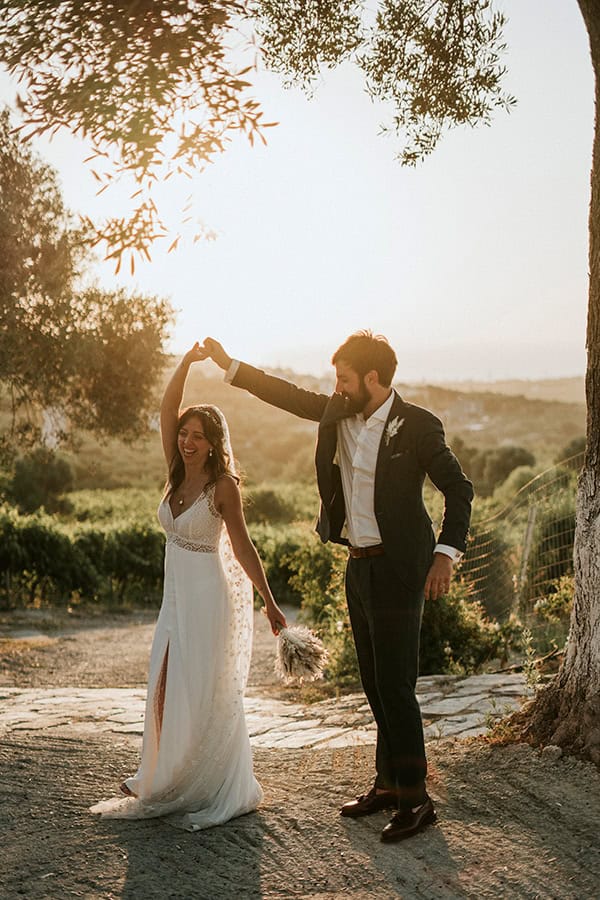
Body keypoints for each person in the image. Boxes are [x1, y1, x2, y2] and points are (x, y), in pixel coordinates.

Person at [200, 330, 473, 842]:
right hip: (358, 565)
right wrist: (230, 365)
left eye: (344, 379)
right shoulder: (338, 412)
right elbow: (286, 394)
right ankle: (388, 784)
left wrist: (445, 554)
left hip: (399, 568)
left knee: (396, 687)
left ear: (372, 378)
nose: (337, 387)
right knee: (373, 682)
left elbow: (459, 489)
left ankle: (417, 800)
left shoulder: (417, 425)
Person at [90, 343, 287, 831]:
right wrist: (184, 364)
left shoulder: (223, 487)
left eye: (198, 436)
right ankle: (159, 772)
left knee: (201, 689)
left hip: (207, 599)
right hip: (174, 598)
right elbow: (166, 409)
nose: (187, 441)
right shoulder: (176, 470)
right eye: (184, 433)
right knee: (163, 679)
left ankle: (201, 779)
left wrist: (269, 601)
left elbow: (243, 547)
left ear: (215, 444)